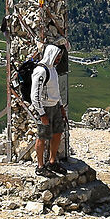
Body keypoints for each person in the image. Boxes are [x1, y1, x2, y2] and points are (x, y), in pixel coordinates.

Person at [29, 41, 70, 174]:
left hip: (55, 107)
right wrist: (41, 113)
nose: (59, 59)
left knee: (57, 133)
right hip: (45, 108)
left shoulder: (52, 69)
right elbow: (34, 95)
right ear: (52, 55)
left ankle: (52, 162)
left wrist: (61, 106)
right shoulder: (41, 71)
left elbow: (56, 90)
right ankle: (40, 166)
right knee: (42, 137)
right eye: (57, 56)